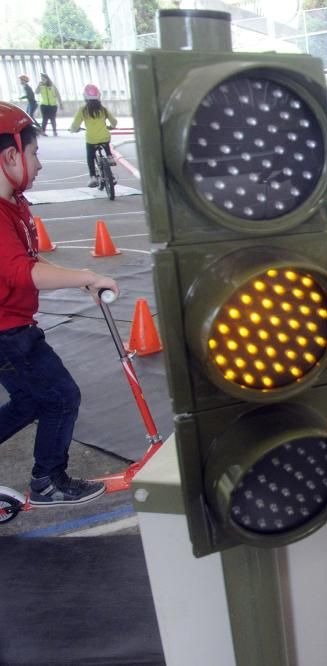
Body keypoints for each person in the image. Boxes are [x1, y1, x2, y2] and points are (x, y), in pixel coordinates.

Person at [0, 101, 118, 506]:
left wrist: (78, 278)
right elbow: (21, 272)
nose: (40, 164)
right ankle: (48, 480)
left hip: (12, 328)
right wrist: (87, 277)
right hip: (8, 334)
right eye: (34, 153)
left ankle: (47, 477)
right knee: (61, 397)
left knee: (32, 400)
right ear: (10, 156)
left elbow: (30, 262)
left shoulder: (13, 205)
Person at [69, 84, 117, 188]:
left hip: (91, 139)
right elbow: (114, 121)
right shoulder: (103, 109)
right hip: (105, 137)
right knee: (105, 140)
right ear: (99, 96)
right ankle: (109, 156)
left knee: (90, 157)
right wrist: (112, 126)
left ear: (85, 97)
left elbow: (75, 124)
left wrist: (73, 130)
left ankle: (93, 177)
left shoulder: (83, 110)